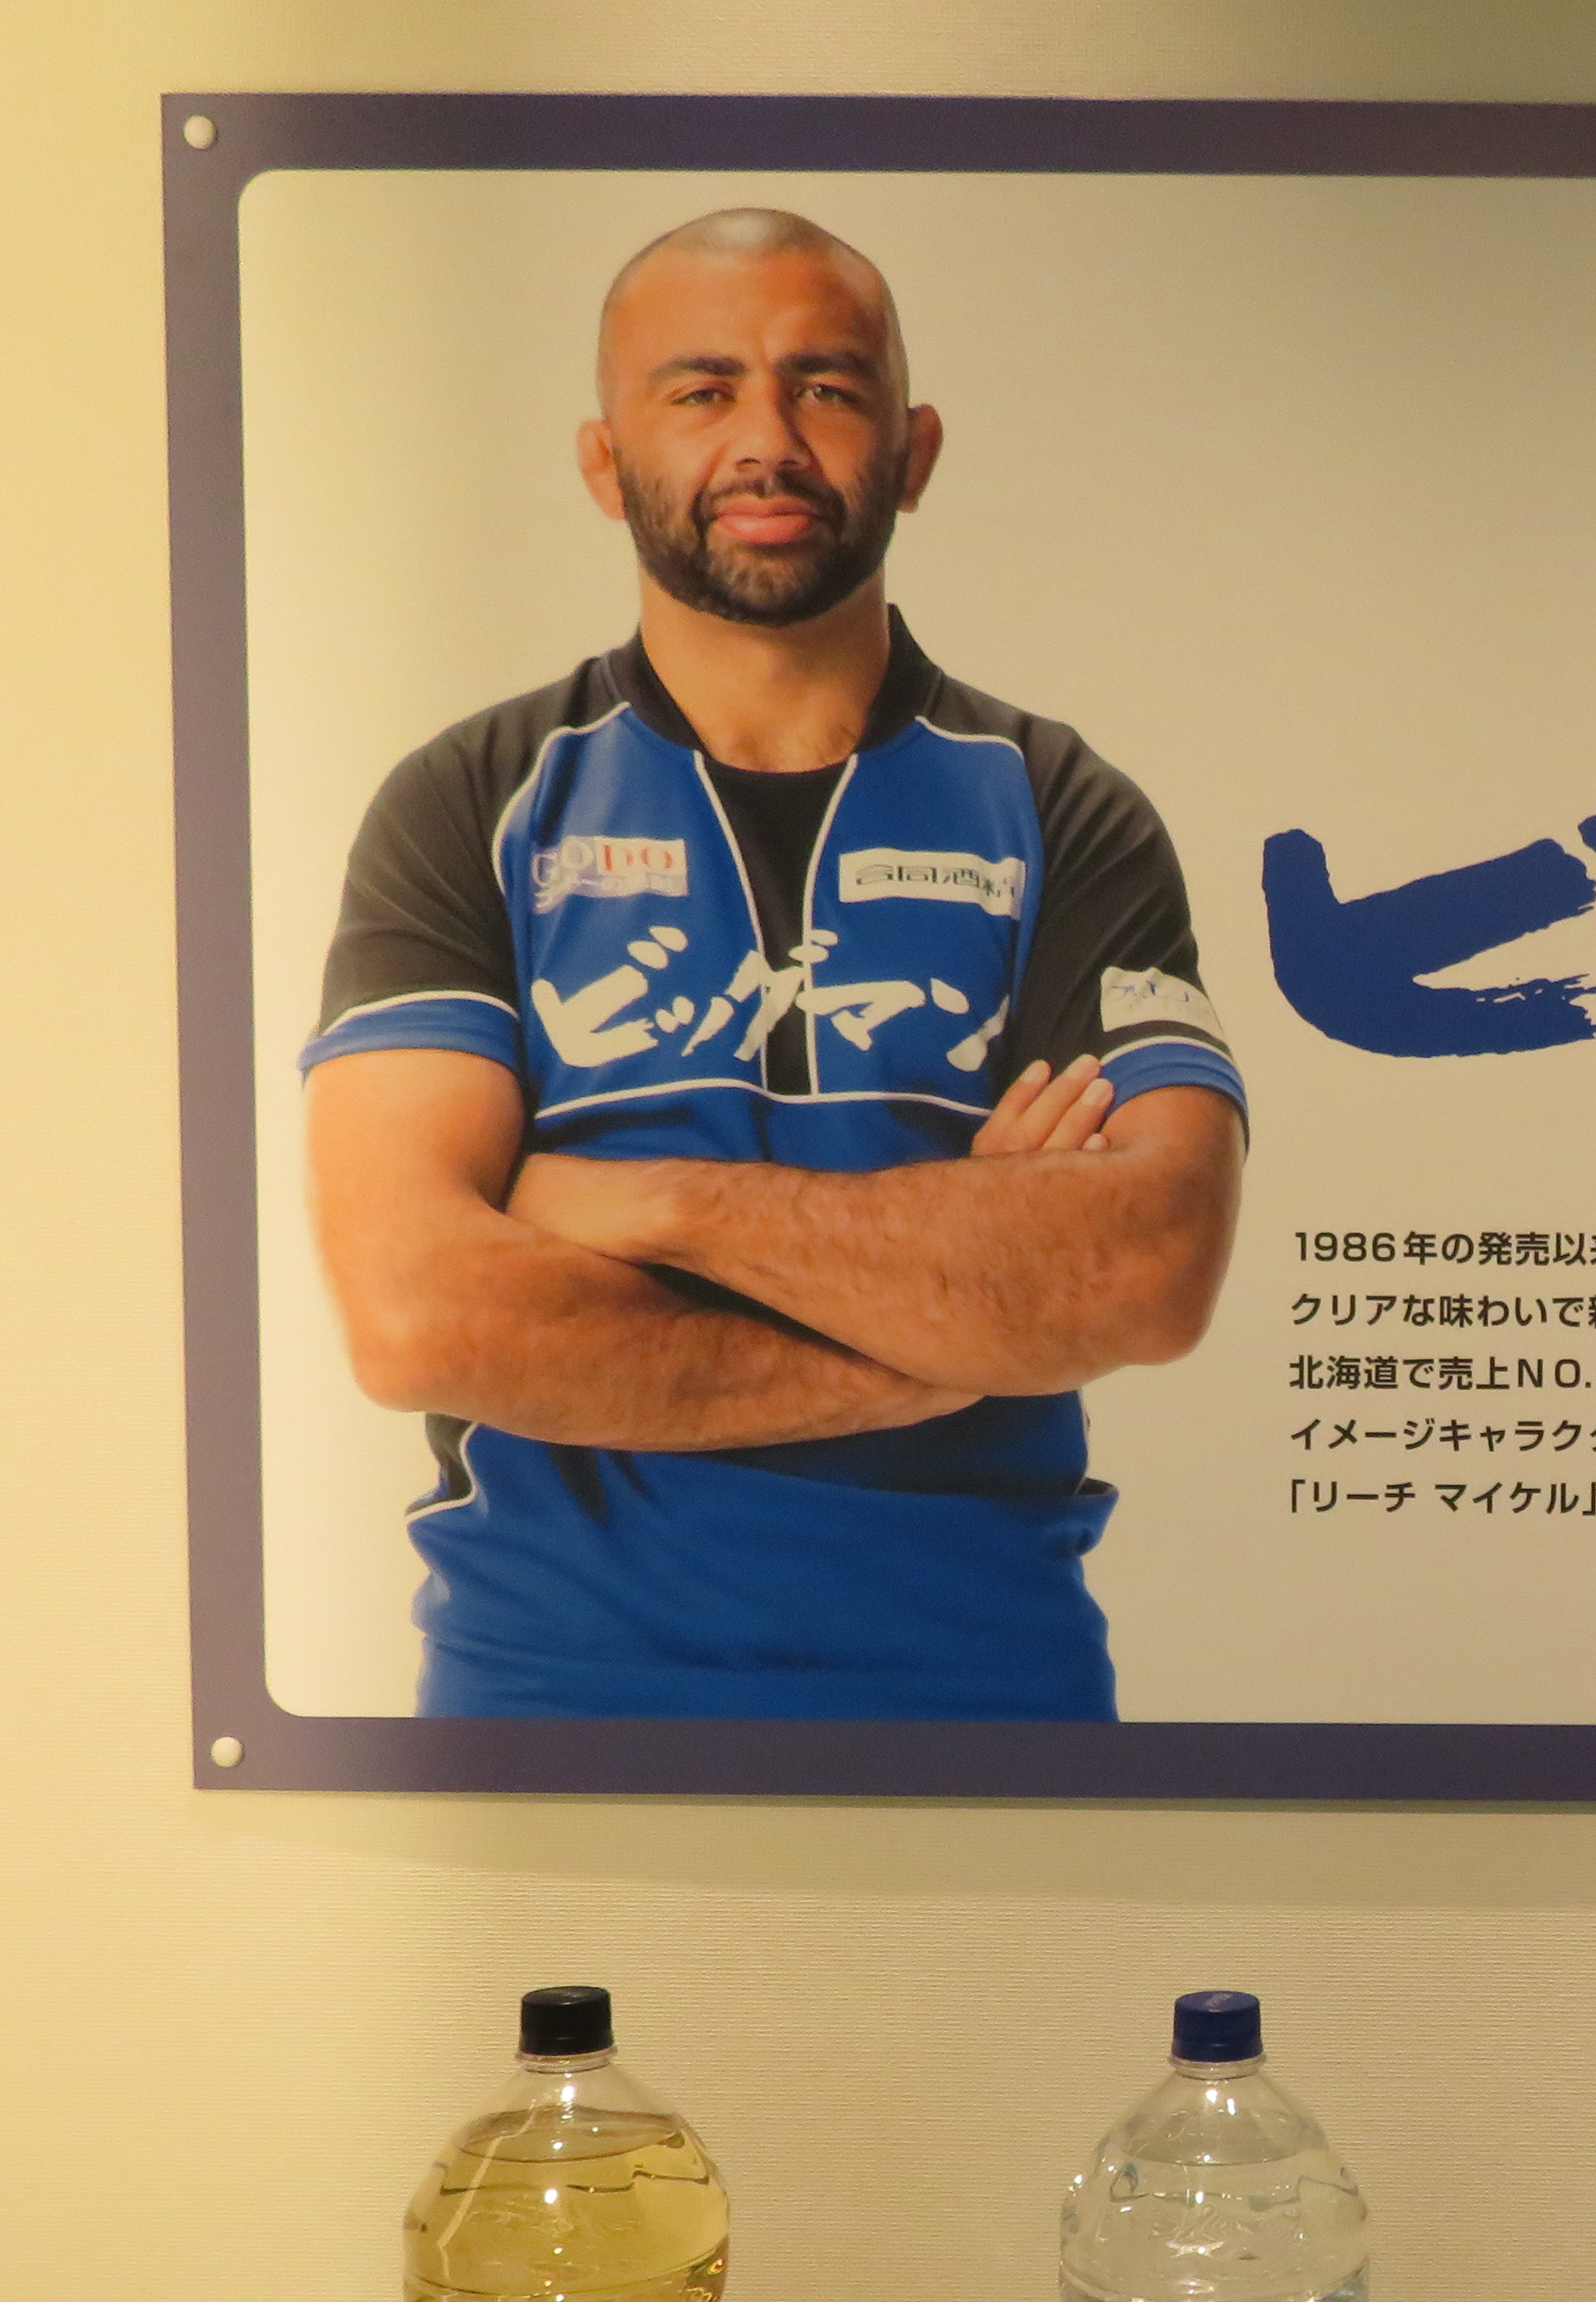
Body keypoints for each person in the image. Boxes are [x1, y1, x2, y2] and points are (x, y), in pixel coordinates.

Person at [303, 208, 1244, 1720]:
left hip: (992, 1703)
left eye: (825, 387)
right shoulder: (471, 802)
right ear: (605, 460)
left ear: (912, 452)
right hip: (547, 1703)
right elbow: (421, 1314)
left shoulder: (1062, 806)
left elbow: (1142, 1268)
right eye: (702, 389)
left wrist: (650, 1205)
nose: (767, 440)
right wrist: (936, 1345)